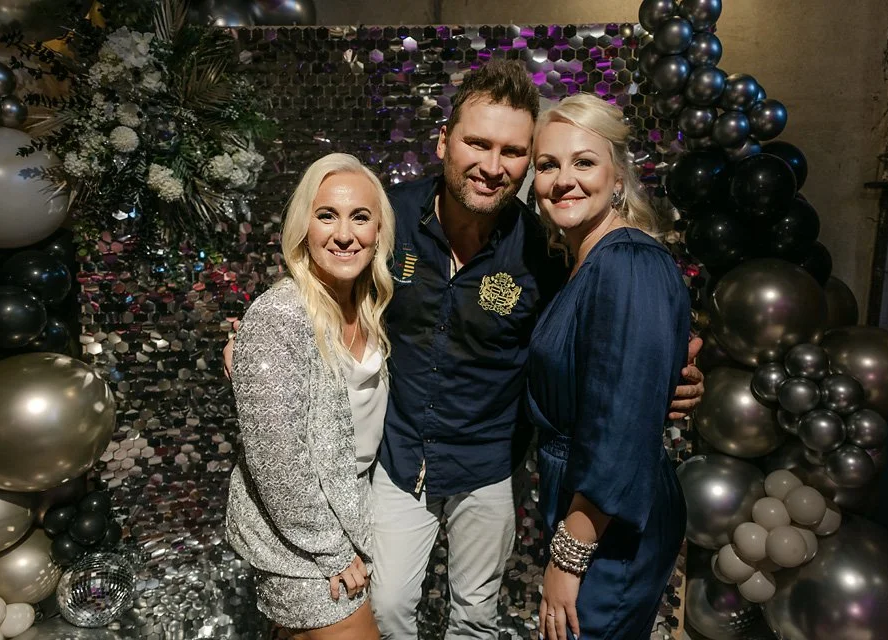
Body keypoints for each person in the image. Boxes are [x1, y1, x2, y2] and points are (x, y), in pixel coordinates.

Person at [224, 61, 704, 640]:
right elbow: (324, 263)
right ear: (444, 142)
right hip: (400, 461)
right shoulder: (391, 217)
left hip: (489, 464)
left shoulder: (545, 248)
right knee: (388, 607)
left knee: (476, 618)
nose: (492, 166)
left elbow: (602, 343)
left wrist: (666, 382)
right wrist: (264, 348)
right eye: (477, 143)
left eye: (514, 152)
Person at [526, 93, 690, 640]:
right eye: (547, 165)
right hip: (589, 506)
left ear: (618, 175)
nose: (563, 180)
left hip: (607, 520)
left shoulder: (626, 262)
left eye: (584, 162)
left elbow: (618, 427)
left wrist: (569, 557)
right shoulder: (586, 261)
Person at [226, 153, 395, 639]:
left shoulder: (366, 305)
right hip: (300, 542)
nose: (345, 234)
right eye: (327, 215)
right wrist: (330, 549)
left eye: (360, 217)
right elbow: (277, 458)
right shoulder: (282, 315)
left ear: (379, 231)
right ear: (304, 226)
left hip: (345, 516)